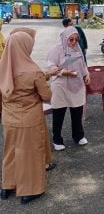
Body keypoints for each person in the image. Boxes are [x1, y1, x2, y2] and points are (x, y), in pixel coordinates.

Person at [0, 31, 58, 204]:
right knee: (30, 153)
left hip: (9, 118)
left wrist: (45, 74)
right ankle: (30, 190)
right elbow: (46, 96)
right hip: (30, 119)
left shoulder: (3, 68)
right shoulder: (33, 70)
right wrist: (47, 79)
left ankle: (7, 186)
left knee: (10, 151)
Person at [47, 26, 90, 151]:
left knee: (77, 111)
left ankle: (78, 135)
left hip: (76, 85)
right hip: (61, 86)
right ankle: (57, 139)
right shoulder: (56, 49)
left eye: (76, 40)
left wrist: (87, 74)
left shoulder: (77, 48)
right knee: (59, 113)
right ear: (65, 38)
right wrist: (64, 72)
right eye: (71, 40)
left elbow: (83, 64)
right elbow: (51, 68)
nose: (73, 42)